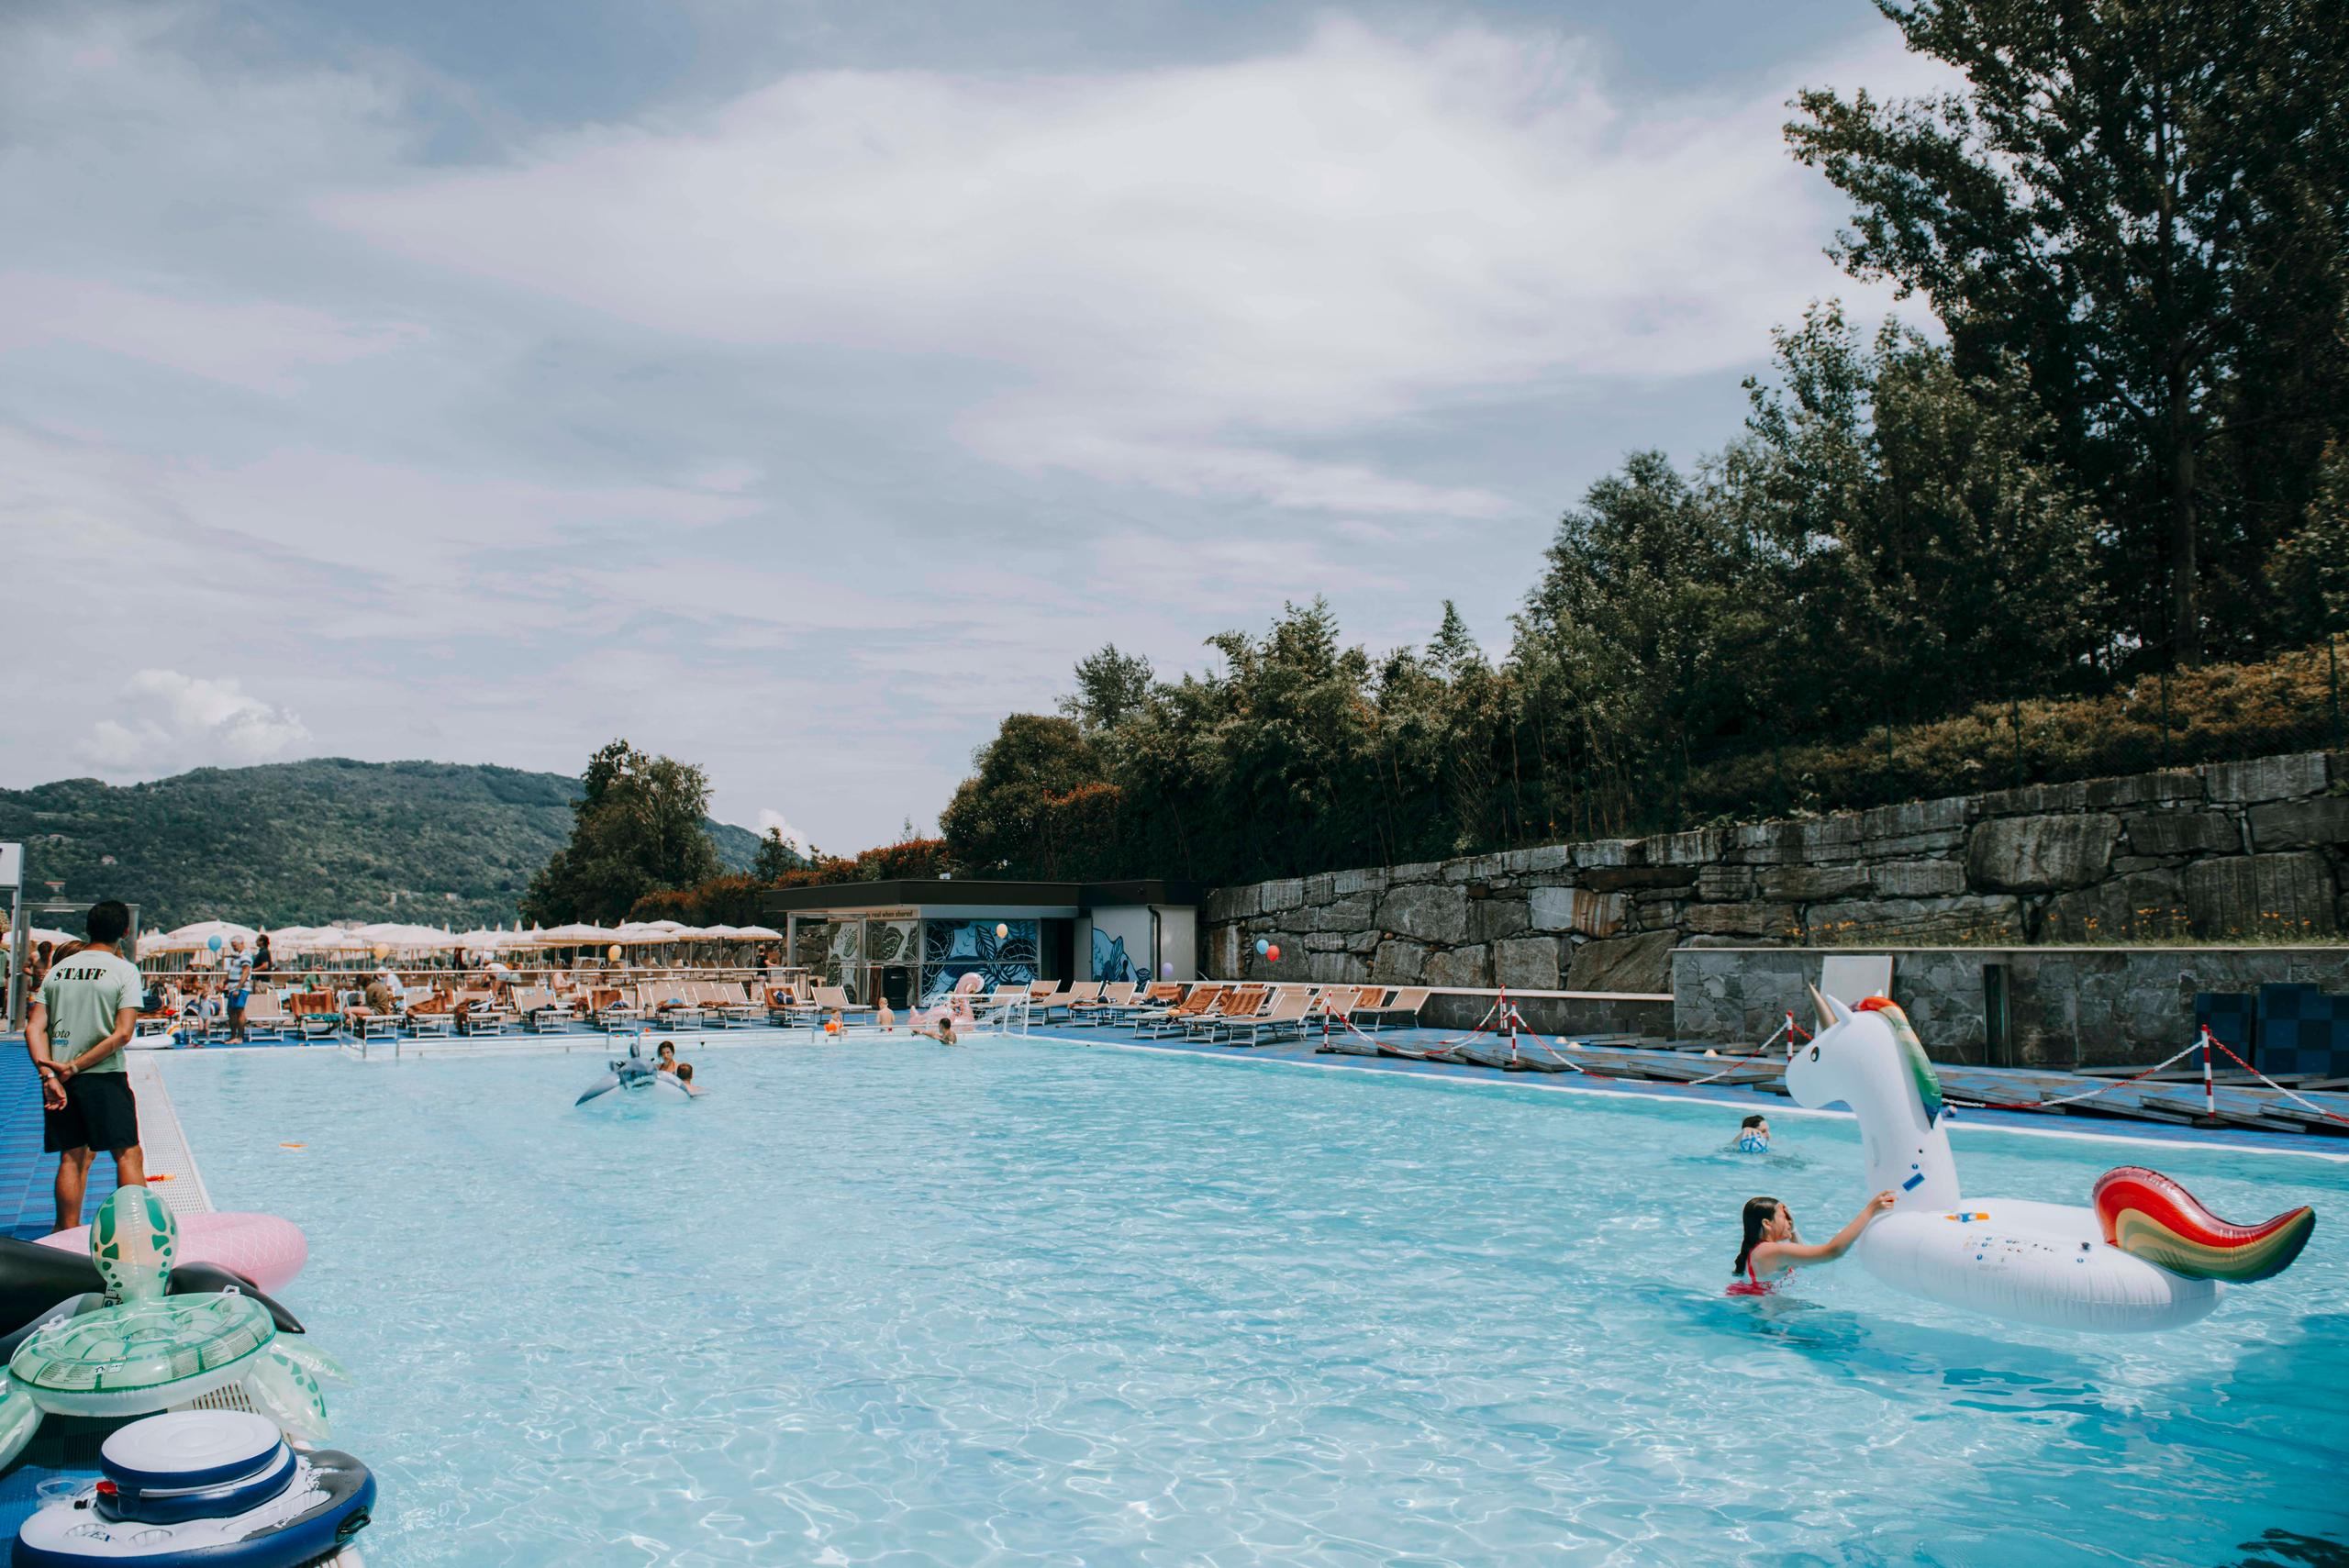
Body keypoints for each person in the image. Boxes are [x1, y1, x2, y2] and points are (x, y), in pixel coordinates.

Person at [26, 901, 147, 1233]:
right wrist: (75, 1067)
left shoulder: (58, 970)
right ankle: (137, 1234)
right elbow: (123, 1033)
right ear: (125, 931)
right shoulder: (123, 970)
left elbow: (33, 1028)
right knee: (128, 1155)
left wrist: (49, 1073)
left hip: (59, 1079)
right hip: (102, 1076)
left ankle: (65, 1236)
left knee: (72, 1156)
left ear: (88, 929)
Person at [1730, 1191, 1897, 1296]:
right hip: (1771, 1329)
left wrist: (1793, 1229)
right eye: (1785, 1217)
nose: (1789, 1221)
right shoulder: (1770, 1251)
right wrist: (1870, 1210)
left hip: (1770, 1320)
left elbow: (1803, 1261)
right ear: (1767, 1223)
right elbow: (1833, 1251)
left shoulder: (1760, 1251)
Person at [220, 937, 253, 1043]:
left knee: (239, 1011)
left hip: (240, 988)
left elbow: (246, 972)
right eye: (232, 945)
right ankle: (233, 1035)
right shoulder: (237, 956)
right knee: (231, 1011)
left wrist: (238, 988)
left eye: (235, 945)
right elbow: (231, 972)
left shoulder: (245, 955)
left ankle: (239, 1037)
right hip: (232, 987)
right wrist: (223, 982)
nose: (233, 947)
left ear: (242, 943)